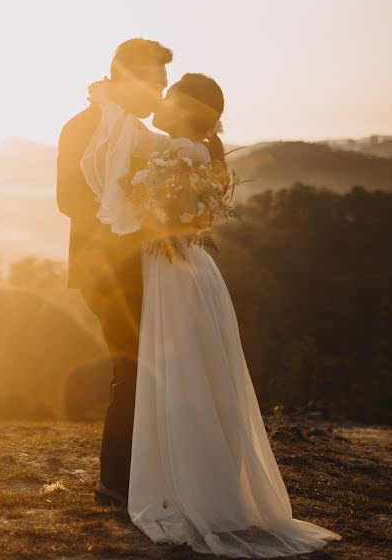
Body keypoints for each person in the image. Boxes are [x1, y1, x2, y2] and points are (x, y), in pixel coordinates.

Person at [79, 72, 343, 557]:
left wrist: (109, 102)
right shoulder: (188, 150)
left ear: (182, 104)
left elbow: (121, 164)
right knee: (190, 376)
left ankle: (184, 487)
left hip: (171, 269)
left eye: (169, 90)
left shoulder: (178, 152)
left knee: (181, 376)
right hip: (183, 268)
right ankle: (187, 480)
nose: (160, 97)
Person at [55, 38, 172, 506]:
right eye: (156, 84)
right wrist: (134, 215)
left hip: (148, 266)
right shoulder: (81, 127)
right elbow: (69, 200)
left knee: (152, 366)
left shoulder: (140, 132)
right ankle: (117, 484)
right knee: (134, 366)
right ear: (127, 78)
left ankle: (139, 476)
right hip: (103, 269)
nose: (160, 96)